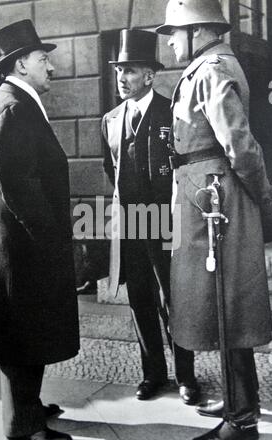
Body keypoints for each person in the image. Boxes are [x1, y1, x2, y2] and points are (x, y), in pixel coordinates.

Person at [156, 0, 272, 440]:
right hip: (204, 197)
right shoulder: (206, 66)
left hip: (216, 204)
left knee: (227, 306)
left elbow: (239, 145)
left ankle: (241, 419)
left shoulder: (212, 69)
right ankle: (236, 405)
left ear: (198, 31)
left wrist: (261, 198)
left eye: (174, 32)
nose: (169, 41)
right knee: (217, 306)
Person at [0, 20, 80, 440]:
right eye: (43, 59)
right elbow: (21, 190)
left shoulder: (14, 101)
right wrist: (54, 240)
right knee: (22, 337)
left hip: (21, 246)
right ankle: (24, 424)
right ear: (21, 64)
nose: (51, 67)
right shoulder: (15, 109)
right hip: (27, 248)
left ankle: (28, 406)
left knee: (27, 330)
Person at [102, 29, 199, 404]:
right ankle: (153, 374)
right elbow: (110, 170)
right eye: (118, 70)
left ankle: (186, 375)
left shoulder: (170, 113)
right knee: (139, 299)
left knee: (175, 301)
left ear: (149, 75)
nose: (122, 78)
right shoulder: (110, 120)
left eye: (130, 70)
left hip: (165, 223)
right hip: (130, 225)